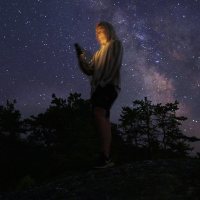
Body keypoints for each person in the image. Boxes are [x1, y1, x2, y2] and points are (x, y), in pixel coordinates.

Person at [75, 21, 123, 168]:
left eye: (101, 30)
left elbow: (114, 64)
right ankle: (105, 156)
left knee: (99, 113)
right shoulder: (98, 54)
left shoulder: (115, 44)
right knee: (102, 117)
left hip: (107, 86)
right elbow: (90, 70)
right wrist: (80, 57)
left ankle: (104, 156)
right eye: (97, 32)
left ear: (108, 30)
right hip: (99, 88)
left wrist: (103, 83)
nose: (98, 34)